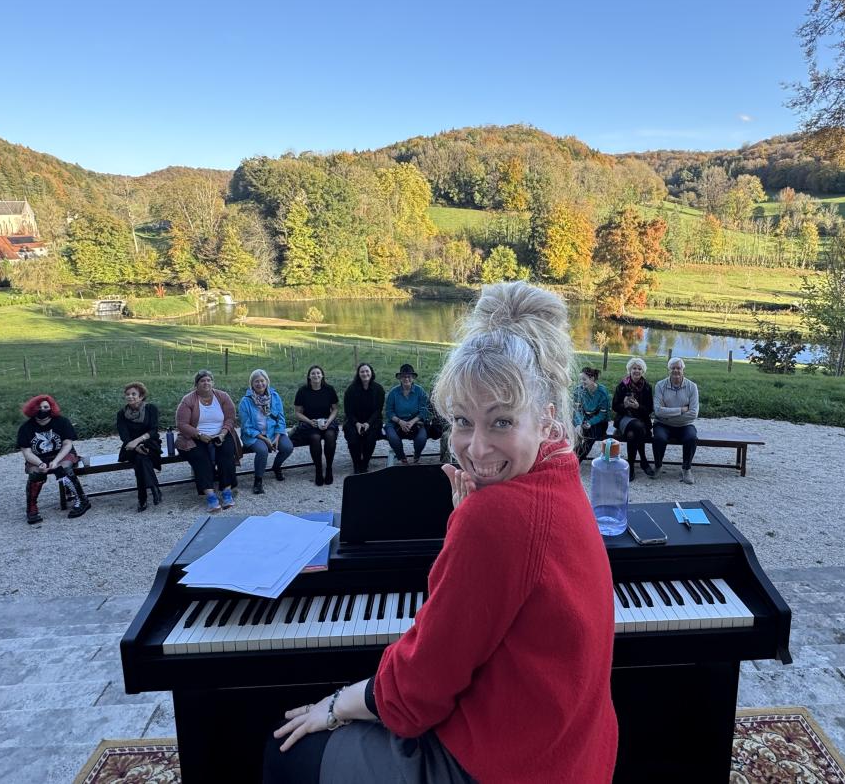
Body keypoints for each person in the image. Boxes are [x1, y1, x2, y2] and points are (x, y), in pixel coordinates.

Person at [264, 281, 617, 784]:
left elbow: (417, 694)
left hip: (513, 765)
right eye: (462, 421)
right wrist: (471, 526)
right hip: (574, 749)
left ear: (546, 419)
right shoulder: (562, 472)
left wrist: (336, 705)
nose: (474, 449)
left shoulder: (494, 516)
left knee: (285, 755)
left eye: (501, 422)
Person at [176, 370, 242, 513]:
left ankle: (226, 491)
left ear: (213, 382)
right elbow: (182, 424)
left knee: (226, 455)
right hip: (196, 436)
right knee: (201, 458)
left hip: (221, 433)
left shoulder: (223, 397)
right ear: (196, 384)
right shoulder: (188, 400)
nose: (206, 383)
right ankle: (210, 496)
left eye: (208, 380)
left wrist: (223, 433)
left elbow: (231, 418)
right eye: (202, 381)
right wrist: (199, 434)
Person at [16, 394, 87, 524]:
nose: (42, 410)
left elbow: (67, 444)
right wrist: (40, 463)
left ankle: (81, 500)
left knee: (64, 467)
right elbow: (26, 452)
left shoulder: (62, 422)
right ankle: (31, 507)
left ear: (51, 408)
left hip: (62, 454)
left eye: (46, 407)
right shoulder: (26, 428)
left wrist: (55, 461)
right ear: (32, 409)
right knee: (35, 473)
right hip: (38, 458)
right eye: (39, 407)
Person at [240, 368, 293, 494]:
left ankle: (276, 467)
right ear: (252, 384)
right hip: (254, 435)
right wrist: (265, 439)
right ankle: (258, 480)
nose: (260, 384)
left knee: (288, 447)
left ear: (267, 381)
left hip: (273, 432)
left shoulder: (274, 396)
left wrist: (277, 437)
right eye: (256, 381)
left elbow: (281, 418)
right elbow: (246, 427)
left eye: (262, 381)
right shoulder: (245, 401)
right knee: (262, 450)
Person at [652, 357, 700, 484]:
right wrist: (682, 410)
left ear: (683, 369)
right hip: (663, 424)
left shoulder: (692, 387)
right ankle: (658, 466)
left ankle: (686, 469)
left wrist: (667, 412)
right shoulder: (660, 385)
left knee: (691, 438)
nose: (676, 371)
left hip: (684, 425)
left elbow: (693, 413)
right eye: (673, 368)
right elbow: (658, 411)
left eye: (678, 368)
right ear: (668, 370)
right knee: (659, 438)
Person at [117, 381, 163, 511]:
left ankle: (142, 498)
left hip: (150, 442)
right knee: (140, 458)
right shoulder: (121, 414)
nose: (130, 396)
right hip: (130, 447)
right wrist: (135, 446)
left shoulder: (150, 409)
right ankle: (154, 488)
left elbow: (154, 430)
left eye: (133, 394)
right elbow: (124, 436)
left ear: (141, 396)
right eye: (127, 394)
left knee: (140, 460)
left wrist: (138, 441)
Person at [292, 365, 340, 486]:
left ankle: (329, 468)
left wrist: (329, 421)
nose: (316, 376)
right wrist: (309, 421)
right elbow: (297, 412)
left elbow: (335, 409)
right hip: (310, 423)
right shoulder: (303, 391)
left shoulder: (329, 389)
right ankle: (318, 469)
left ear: (322, 375)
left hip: (326, 421)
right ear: (309, 376)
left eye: (318, 373)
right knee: (315, 438)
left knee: (330, 436)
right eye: (313, 373)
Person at [611, 357, 655, 481]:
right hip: (625, 418)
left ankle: (630, 467)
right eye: (634, 368)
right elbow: (614, 406)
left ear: (643, 371)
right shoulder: (622, 385)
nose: (636, 371)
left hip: (641, 420)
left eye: (639, 368)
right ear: (629, 370)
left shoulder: (647, 387)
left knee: (632, 434)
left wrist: (638, 406)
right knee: (638, 426)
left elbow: (649, 409)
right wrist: (625, 405)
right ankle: (644, 461)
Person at [383, 363, 432, 465]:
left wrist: (412, 422)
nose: (406, 379)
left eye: (409, 376)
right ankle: (401, 457)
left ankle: (417, 454)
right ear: (400, 378)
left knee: (422, 438)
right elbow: (388, 412)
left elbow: (424, 410)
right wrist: (400, 422)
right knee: (392, 437)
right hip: (396, 422)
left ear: (413, 378)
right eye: (404, 377)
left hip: (416, 422)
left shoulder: (420, 391)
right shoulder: (393, 392)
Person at [342, 363, 385, 474]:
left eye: (367, 371)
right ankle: (356, 464)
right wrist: (357, 423)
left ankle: (365, 463)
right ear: (358, 374)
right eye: (362, 371)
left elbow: (378, 410)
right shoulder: (350, 390)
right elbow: (348, 411)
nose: (365, 374)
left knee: (370, 438)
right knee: (353, 437)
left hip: (373, 421)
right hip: (354, 420)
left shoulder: (379, 389)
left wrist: (368, 423)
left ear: (371, 373)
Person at [572, 366, 613, 460]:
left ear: (592, 379)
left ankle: (575, 461)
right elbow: (577, 410)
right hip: (584, 418)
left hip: (599, 422)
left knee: (589, 436)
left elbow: (602, 414)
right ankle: (571, 460)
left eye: (584, 379)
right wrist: (578, 423)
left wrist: (590, 423)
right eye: (580, 379)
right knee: (577, 432)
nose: (582, 382)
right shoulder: (579, 390)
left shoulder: (602, 392)